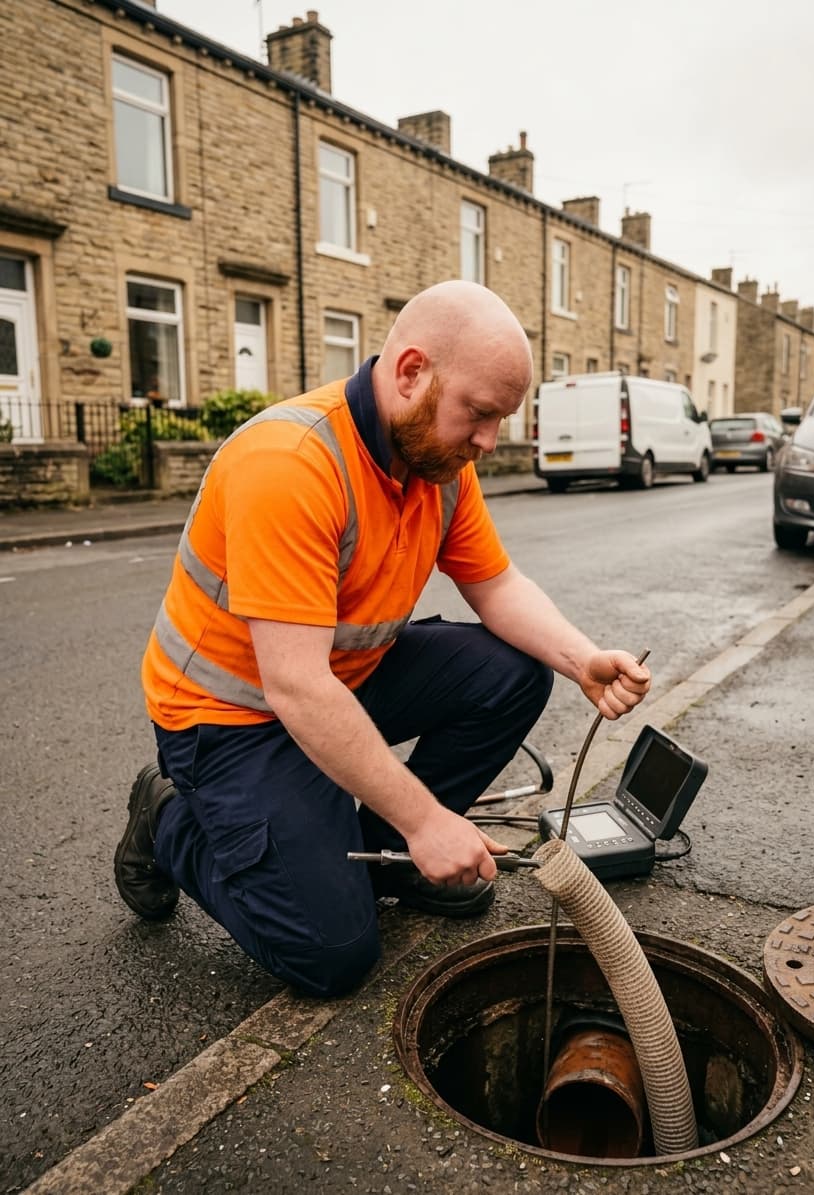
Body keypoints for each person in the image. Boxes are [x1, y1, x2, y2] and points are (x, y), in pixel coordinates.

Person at [114, 280, 651, 999]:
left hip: (341, 680)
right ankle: (166, 814)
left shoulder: (439, 463)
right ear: (410, 372)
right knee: (331, 952)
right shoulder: (291, 464)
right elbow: (296, 686)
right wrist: (428, 815)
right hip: (229, 719)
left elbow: (495, 586)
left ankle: (394, 860)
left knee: (517, 672)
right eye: (482, 414)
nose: (490, 442)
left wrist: (581, 656)